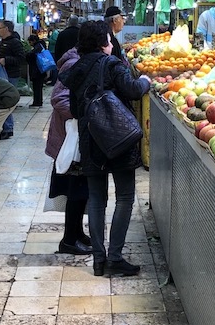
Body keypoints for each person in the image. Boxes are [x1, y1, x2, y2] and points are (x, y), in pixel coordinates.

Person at [61, 20, 150, 277]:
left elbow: (75, 108)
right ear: (103, 44)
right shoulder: (111, 64)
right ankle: (115, 257)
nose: (111, 44)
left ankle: (99, 260)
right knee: (124, 197)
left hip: (91, 140)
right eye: (109, 41)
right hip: (118, 140)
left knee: (97, 200)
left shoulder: (76, 68)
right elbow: (133, 90)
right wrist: (145, 80)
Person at [45, 46, 92, 256]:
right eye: (107, 42)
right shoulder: (74, 65)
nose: (110, 46)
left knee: (79, 192)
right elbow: (59, 99)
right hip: (69, 142)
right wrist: (84, 113)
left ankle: (76, 233)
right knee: (76, 190)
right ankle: (69, 240)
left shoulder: (78, 62)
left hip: (72, 140)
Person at [25, 33, 47, 108]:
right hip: (40, 70)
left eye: (30, 42)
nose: (30, 44)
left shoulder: (38, 47)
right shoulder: (41, 45)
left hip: (37, 71)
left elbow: (31, 55)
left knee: (37, 87)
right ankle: (38, 101)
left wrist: (27, 54)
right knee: (38, 87)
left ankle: (37, 102)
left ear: (33, 41)